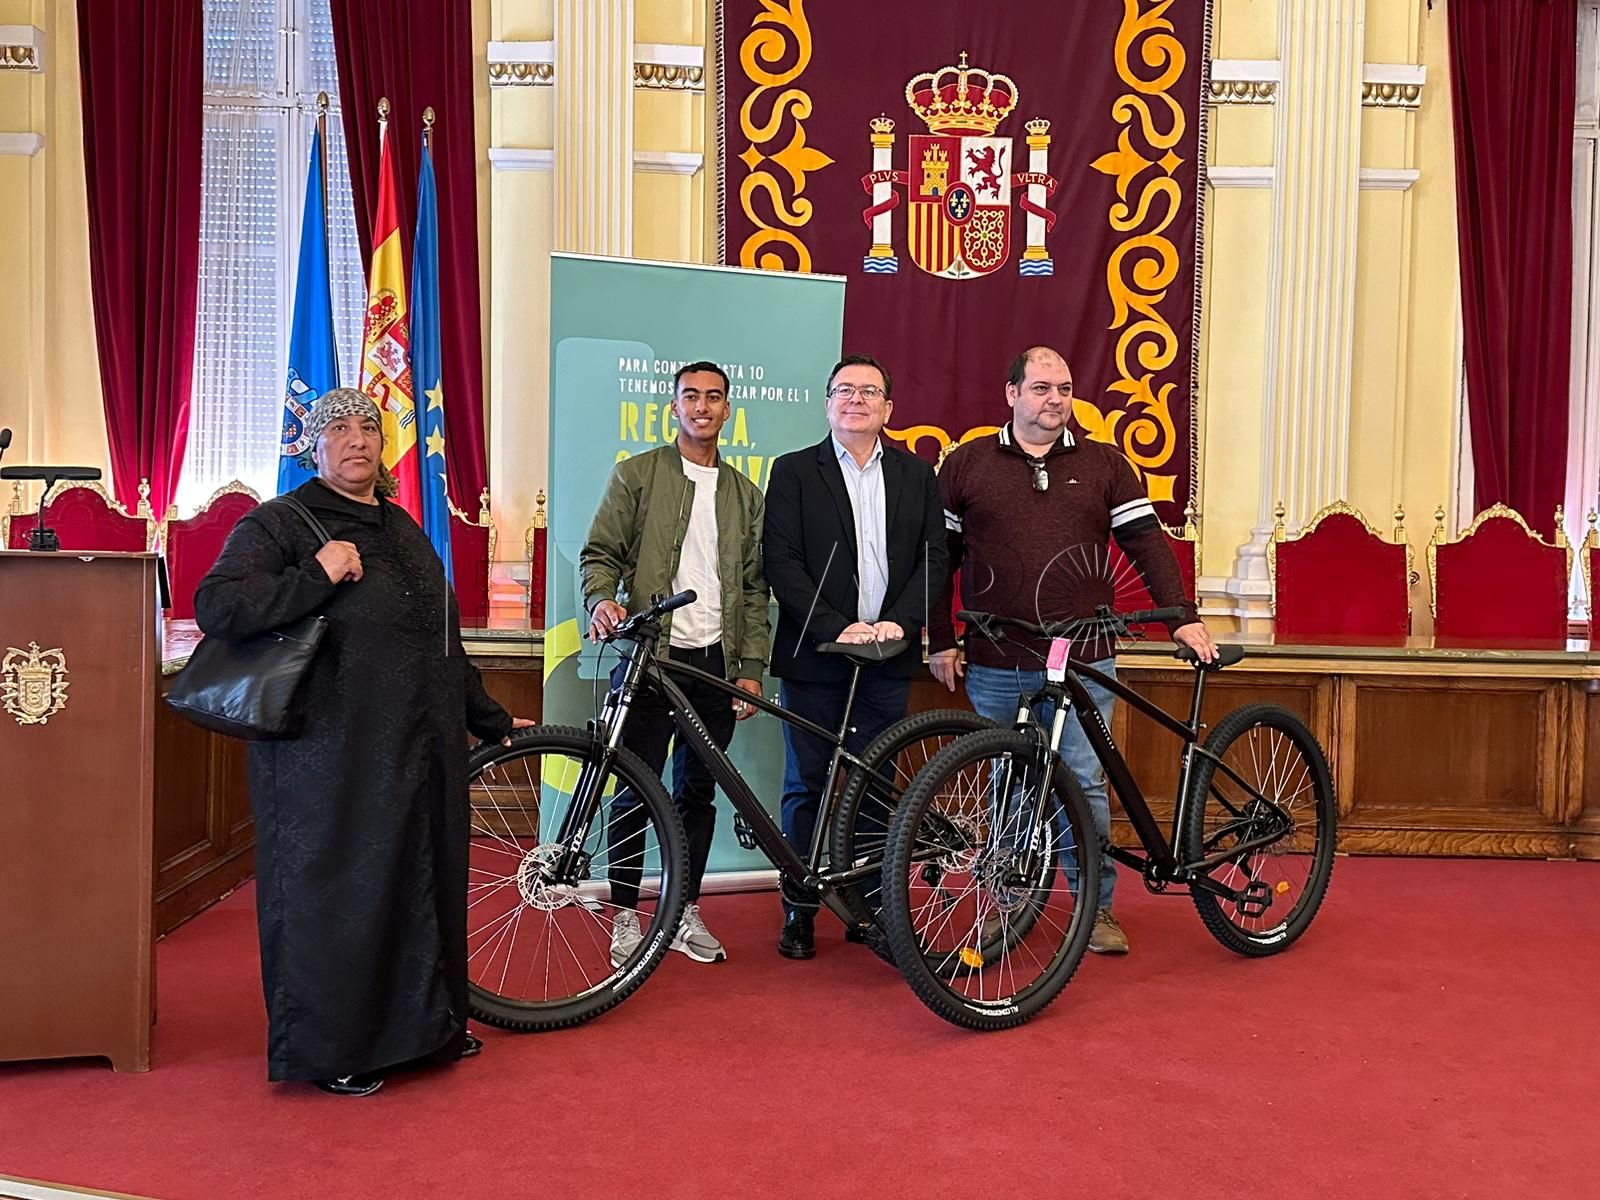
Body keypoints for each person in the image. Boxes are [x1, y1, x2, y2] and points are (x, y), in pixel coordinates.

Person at [193, 389, 532, 1097]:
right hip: (328, 757)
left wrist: (492, 719)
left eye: (368, 428)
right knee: (340, 895)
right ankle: (337, 1048)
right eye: (338, 429)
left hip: (419, 748)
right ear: (312, 448)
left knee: (422, 881)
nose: (356, 440)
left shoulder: (403, 526)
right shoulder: (282, 523)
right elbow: (218, 606)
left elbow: (440, 644)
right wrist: (316, 573)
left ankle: (427, 1028)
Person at [928, 347, 1217, 955]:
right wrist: (941, 637)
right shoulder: (966, 464)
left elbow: (1146, 544)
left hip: (1083, 656)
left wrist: (1183, 619)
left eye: (1063, 388)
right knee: (1007, 784)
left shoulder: (1105, 464)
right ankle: (1007, 908)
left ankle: (1098, 909)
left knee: (1083, 783)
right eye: (1040, 388)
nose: (1054, 399)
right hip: (996, 656)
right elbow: (939, 560)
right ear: (1011, 394)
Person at [581, 360, 770, 966]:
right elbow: (600, 554)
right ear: (674, 406)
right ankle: (626, 917)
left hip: (712, 664)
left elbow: (753, 586)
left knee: (697, 792)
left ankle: (685, 909)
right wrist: (602, 597)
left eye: (714, 397)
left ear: (727, 409)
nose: (702, 407)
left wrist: (749, 667)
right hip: (647, 660)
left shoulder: (745, 493)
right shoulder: (636, 475)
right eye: (691, 396)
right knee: (634, 789)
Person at [762, 354, 947, 960]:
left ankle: (867, 909)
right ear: (826, 403)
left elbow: (934, 560)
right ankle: (800, 909)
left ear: (888, 408)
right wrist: (840, 628)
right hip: (815, 656)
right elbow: (781, 563)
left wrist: (899, 621)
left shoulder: (918, 475)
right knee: (807, 785)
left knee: (875, 784)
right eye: (844, 390)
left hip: (889, 655)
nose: (856, 400)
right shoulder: (792, 472)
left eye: (870, 391)